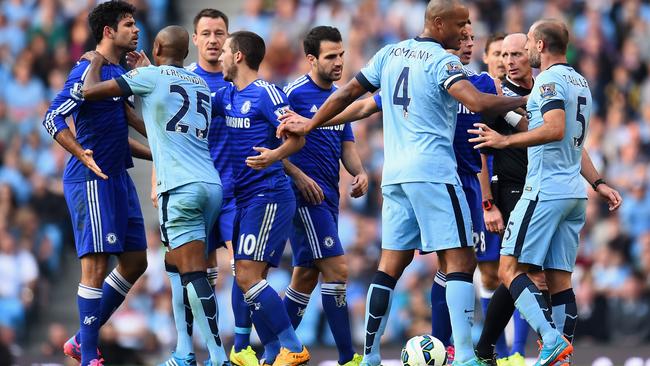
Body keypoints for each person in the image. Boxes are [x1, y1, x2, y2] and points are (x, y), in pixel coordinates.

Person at [277, 1, 526, 365]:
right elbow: (476, 103)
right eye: (460, 25)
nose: (464, 32)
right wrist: (528, 98)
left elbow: (350, 96)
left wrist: (312, 123)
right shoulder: (443, 61)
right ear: (439, 24)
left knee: (390, 266)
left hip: (395, 178)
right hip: (435, 173)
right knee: (459, 260)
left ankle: (371, 355)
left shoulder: (389, 54)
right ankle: (466, 357)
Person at [468, 19, 623, 365]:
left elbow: (552, 130)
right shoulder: (579, 81)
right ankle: (562, 355)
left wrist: (504, 140)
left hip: (544, 191)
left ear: (538, 45)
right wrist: (598, 182)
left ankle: (549, 340)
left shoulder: (548, 82)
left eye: (521, 49)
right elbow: (570, 137)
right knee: (559, 280)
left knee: (509, 270)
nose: (514, 57)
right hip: (573, 194)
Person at [81, 25, 230, 365]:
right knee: (176, 267)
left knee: (191, 272)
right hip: (210, 185)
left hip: (179, 189)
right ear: (186, 53)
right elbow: (153, 124)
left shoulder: (149, 77)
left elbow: (89, 91)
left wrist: (94, 60)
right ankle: (183, 352)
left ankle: (218, 357)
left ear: (158, 48)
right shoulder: (202, 85)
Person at [41, 2, 149, 365]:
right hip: (91, 178)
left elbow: (120, 131)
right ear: (108, 31)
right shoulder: (86, 69)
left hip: (118, 176)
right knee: (96, 265)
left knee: (136, 261)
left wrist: (160, 155)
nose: (136, 30)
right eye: (129, 25)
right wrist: (80, 152)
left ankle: (78, 340)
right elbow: (52, 116)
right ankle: (89, 356)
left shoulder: (118, 71)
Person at [214, 30, 309, 366]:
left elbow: (298, 139)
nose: (220, 56)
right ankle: (270, 352)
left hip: (269, 194)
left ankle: (293, 345)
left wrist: (274, 156)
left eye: (225, 50)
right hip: (245, 198)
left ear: (239, 55)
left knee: (247, 276)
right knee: (247, 276)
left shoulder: (268, 94)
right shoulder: (225, 95)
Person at [280, 25, 367, 366]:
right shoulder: (293, 94)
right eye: (331, 56)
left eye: (342, 55)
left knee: (305, 276)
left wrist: (358, 172)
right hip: (304, 196)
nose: (339, 62)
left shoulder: (339, 96)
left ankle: (276, 352)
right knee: (338, 269)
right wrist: (298, 176)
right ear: (312, 59)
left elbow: (346, 142)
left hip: (328, 195)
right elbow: (274, 146)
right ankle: (348, 358)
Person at [475, 32, 536, 366]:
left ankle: (518, 351)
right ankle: (494, 349)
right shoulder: (490, 95)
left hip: (541, 190)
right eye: (500, 54)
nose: (506, 61)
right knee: (497, 272)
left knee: (531, 272)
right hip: (504, 191)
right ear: (488, 58)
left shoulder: (544, 88)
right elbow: (481, 150)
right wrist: (487, 202)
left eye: (513, 54)